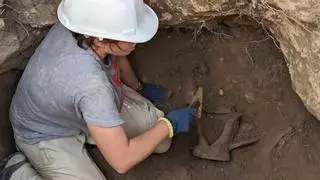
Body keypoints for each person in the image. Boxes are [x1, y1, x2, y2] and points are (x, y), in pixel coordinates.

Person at [0, 0, 195, 179]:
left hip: (74, 107)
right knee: (157, 132)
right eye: (130, 37)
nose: (136, 42)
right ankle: (18, 172)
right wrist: (171, 124)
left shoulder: (84, 23)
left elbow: (116, 52)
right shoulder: (91, 86)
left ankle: (101, 134)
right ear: (101, 40)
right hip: (45, 133)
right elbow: (122, 161)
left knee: (160, 139)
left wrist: (137, 87)